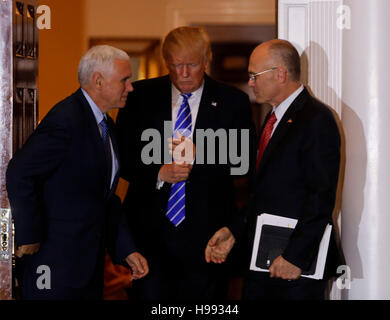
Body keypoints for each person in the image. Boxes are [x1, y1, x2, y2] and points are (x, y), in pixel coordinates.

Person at [115, 26, 253, 300]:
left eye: (191, 64)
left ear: (207, 59)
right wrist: (159, 172)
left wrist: (201, 156)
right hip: (149, 236)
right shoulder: (139, 97)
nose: (183, 74)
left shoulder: (233, 102)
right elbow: (122, 158)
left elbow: (244, 163)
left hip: (209, 237)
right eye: (176, 65)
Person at [6, 45, 149, 300]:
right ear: (99, 81)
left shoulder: (106, 124)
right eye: (125, 80)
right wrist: (28, 235)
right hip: (54, 266)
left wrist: (126, 249)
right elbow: (20, 172)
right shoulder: (66, 119)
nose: (131, 87)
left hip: (86, 267)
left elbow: (104, 199)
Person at [206, 39, 343, 300]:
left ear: (280, 74)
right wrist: (235, 230)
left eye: (254, 75)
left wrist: (294, 257)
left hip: (294, 270)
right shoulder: (273, 118)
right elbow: (265, 192)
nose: (250, 83)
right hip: (264, 261)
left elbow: (320, 196)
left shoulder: (316, 119)